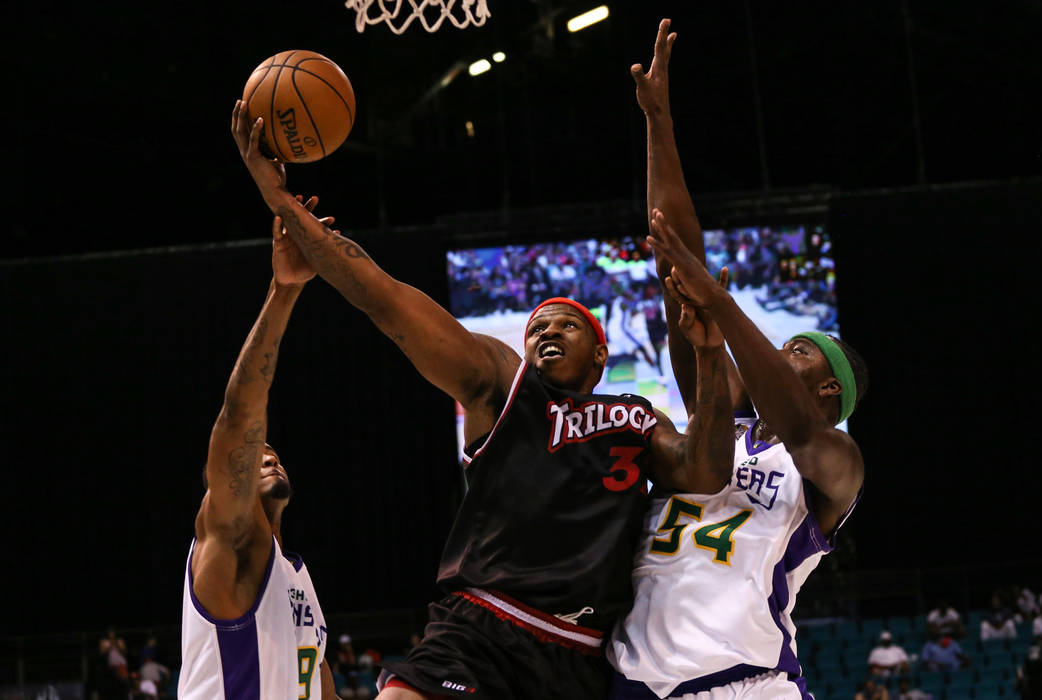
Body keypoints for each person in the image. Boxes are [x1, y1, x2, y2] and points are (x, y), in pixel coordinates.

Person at [232, 99, 725, 700]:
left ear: (601, 354)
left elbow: (705, 472)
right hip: (480, 629)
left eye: (566, 324)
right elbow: (386, 302)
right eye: (537, 326)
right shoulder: (505, 386)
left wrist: (708, 352)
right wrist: (281, 203)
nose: (546, 331)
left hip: (579, 659)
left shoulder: (638, 417)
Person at [607, 19, 867, 700]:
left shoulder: (832, 464)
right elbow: (675, 256)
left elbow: (802, 429)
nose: (782, 352)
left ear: (830, 393)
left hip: (749, 685)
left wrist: (721, 305)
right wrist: (658, 123)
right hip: (638, 687)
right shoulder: (715, 426)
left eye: (800, 351)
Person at [177, 197, 338, 699]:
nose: (268, 454)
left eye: (274, 452)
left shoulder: (298, 579)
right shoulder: (225, 542)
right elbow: (238, 419)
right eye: (256, 455)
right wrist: (283, 292)